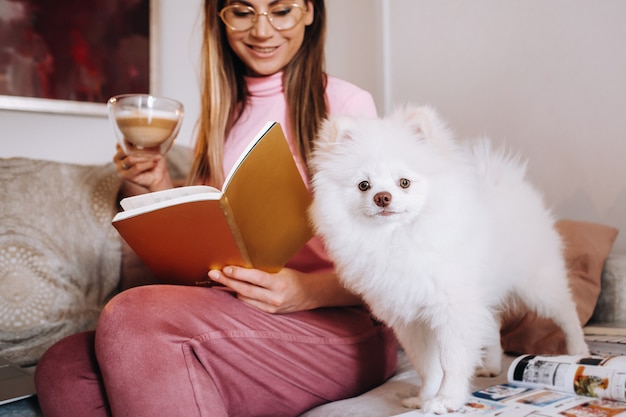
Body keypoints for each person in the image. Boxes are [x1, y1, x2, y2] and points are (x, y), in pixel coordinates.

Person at [34, 1, 398, 416]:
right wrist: (156, 184)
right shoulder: (222, 114)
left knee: (131, 317)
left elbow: (390, 261)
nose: (262, 31)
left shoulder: (346, 105)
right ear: (220, 19)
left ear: (310, 12)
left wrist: (305, 291)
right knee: (63, 366)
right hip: (241, 315)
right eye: (243, 12)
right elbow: (213, 241)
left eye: (281, 10)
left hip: (342, 325)